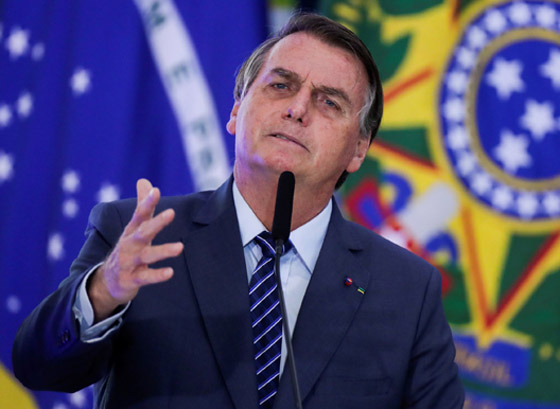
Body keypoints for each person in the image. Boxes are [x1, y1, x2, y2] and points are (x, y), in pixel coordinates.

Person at [13, 13, 464, 409]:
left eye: (329, 101)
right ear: (236, 110)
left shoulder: (407, 290)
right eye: (281, 85)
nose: (297, 109)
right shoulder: (141, 238)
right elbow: (37, 367)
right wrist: (101, 293)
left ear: (359, 149)